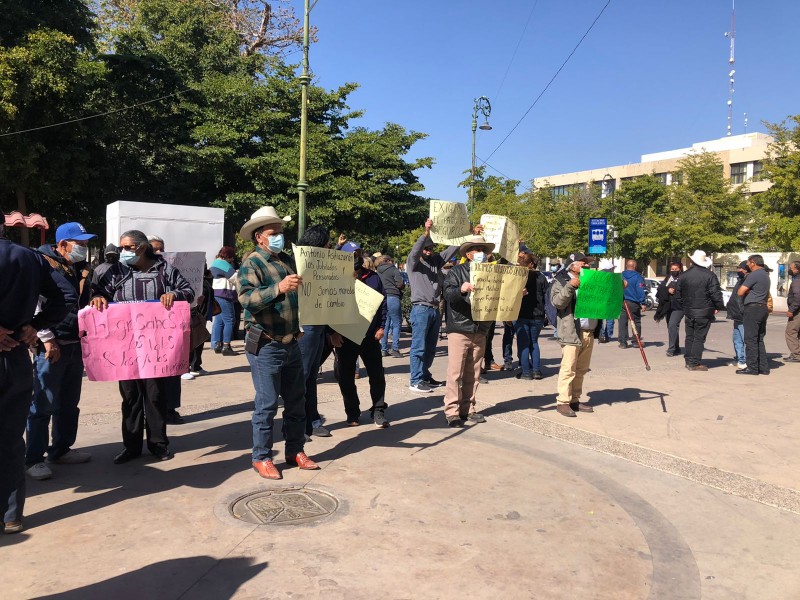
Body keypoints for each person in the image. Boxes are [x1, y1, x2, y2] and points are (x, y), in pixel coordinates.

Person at [91, 230, 195, 463]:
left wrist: (174, 294)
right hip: (124, 347)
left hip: (156, 348)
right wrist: (98, 297)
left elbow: (189, 292)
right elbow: (98, 293)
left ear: (141, 247)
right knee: (130, 397)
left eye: (127, 247)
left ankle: (158, 443)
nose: (123, 252)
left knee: (155, 395)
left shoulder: (165, 270)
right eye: (121, 248)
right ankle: (131, 446)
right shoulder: (115, 272)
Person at [237, 206, 318, 479]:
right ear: (259, 237)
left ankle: (295, 450)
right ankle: (261, 456)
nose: (278, 237)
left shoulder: (285, 261)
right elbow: (247, 299)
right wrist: (278, 288)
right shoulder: (251, 263)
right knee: (268, 403)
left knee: (297, 400)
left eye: (280, 232)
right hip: (266, 343)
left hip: (291, 341)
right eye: (273, 233)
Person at [1, 223, 70, 534]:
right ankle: (11, 514)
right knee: (11, 439)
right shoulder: (29, 258)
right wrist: (33, 326)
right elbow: (65, 297)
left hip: (14, 347)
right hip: (15, 357)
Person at [25, 222, 97, 482]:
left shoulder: (78, 267)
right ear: (63, 244)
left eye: (86, 243)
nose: (84, 248)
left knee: (68, 402)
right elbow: (32, 302)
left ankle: (61, 449)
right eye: (81, 243)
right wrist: (45, 337)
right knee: (42, 403)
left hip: (75, 342)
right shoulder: (41, 263)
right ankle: (33, 458)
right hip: (51, 344)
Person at [330, 240, 390, 428]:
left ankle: (378, 409)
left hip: (370, 336)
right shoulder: (335, 279)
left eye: (358, 254)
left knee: (377, 374)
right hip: (345, 337)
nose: (356, 258)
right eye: (351, 255)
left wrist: (381, 327)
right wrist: (332, 332)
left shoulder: (373, 277)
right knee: (346, 376)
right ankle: (352, 412)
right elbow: (327, 307)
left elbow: (383, 303)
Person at [441, 236, 493, 427]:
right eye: (477, 249)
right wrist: (461, 290)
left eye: (483, 249)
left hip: (480, 328)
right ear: (469, 254)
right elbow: (448, 294)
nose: (482, 253)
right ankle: (452, 411)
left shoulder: (492, 273)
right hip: (460, 328)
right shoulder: (456, 271)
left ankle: (468, 408)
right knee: (455, 372)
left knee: (474, 372)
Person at [406, 219, 459, 393]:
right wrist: (425, 234)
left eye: (430, 248)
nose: (428, 251)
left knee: (430, 348)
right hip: (421, 308)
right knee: (419, 346)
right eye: (425, 249)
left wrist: (468, 234)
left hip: (434, 309)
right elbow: (414, 251)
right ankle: (415, 380)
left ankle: (424, 376)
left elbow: (452, 250)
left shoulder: (436, 261)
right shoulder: (413, 263)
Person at [551, 252, 600, 417]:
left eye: (587, 263)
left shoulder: (592, 280)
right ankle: (563, 402)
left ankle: (575, 399)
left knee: (581, 369)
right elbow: (557, 303)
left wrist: (618, 286)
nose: (586, 265)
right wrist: (570, 286)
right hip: (571, 331)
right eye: (582, 263)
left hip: (589, 331)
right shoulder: (560, 281)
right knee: (568, 368)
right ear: (572, 265)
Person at [296, 224, 333, 439]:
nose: (330, 248)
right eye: (327, 244)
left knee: (310, 376)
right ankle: (298, 424)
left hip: (319, 324)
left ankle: (312, 420)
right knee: (302, 375)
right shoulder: (301, 265)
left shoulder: (325, 266)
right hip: (307, 324)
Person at [678, 250, 725, 372]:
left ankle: (689, 360)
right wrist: (719, 306)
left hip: (689, 311)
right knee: (699, 337)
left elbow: (678, 295)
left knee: (690, 337)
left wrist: (684, 306)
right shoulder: (710, 276)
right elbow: (716, 294)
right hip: (704, 311)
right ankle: (694, 363)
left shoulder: (684, 275)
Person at [515, 251, 548, 380]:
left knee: (523, 344)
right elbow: (547, 295)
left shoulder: (518, 277)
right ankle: (536, 370)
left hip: (521, 314)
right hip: (538, 315)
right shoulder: (541, 277)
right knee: (534, 342)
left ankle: (526, 372)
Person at [737, 254, 772, 375]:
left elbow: (740, 292)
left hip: (753, 309)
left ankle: (752, 367)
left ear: (753, 263)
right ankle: (763, 367)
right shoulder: (765, 275)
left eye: (748, 263)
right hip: (762, 308)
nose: (747, 265)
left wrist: (746, 289)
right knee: (759, 339)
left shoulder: (754, 275)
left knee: (750, 339)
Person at [210, 246, 238, 356]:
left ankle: (217, 344)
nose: (232, 261)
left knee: (219, 320)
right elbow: (235, 277)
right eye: (231, 258)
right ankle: (227, 346)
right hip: (224, 295)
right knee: (230, 320)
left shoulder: (215, 263)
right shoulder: (224, 264)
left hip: (216, 294)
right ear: (228, 256)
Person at [376, 254, 405, 358]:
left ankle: (384, 349)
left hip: (382, 297)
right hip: (393, 296)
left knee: (386, 323)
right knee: (397, 323)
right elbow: (400, 284)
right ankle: (395, 349)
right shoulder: (393, 269)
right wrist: (402, 286)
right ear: (388, 260)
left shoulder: (378, 270)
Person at [654, 261, 684, 357]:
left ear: (680, 269)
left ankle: (671, 349)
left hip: (679, 306)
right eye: (672, 269)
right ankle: (676, 348)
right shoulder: (668, 278)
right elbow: (660, 289)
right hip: (668, 306)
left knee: (672, 324)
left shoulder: (683, 278)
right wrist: (667, 290)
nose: (674, 271)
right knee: (671, 327)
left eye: (676, 269)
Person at [618, 260, 646, 349]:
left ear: (627, 266)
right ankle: (635, 341)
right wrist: (643, 302)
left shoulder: (620, 276)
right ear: (635, 266)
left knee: (622, 322)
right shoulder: (638, 277)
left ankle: (623, 342)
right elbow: (640, 290)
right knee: (636, 321)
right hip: (633, 302)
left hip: (621, 302)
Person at [726, 261, 749, 369]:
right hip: (736, 315)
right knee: (737, 339)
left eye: (740, 268)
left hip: (743, 315)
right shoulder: (740, 280)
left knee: (745, 339)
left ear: (745, 269)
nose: (738, 270)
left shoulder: (748, 281)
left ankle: (746, 360)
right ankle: (740, 359)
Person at [784, 261, 800, 363]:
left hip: (797, 311)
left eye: (792, 268)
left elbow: (798, 297)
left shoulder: (797, 282)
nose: (790, 270)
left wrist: (791, 310)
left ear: (797, 270)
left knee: (790, 332)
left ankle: (796, 355)